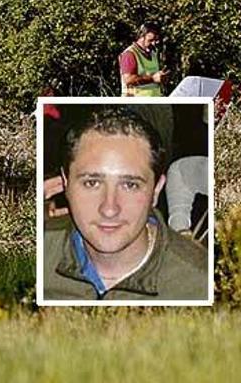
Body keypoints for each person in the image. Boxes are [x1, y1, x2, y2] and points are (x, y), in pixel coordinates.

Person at [43, 106, 207, 301]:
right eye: (92, 183)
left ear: (156, 189)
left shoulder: (199, 284)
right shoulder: (39, 253)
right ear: (65, 183)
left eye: (130, 185)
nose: (109, 209)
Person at [119, 22, 169, 96]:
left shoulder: (153, 54)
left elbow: (154, 78)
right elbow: (128, 79)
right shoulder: (129, 54)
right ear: (141, 37)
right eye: (151, 40)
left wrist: (162, 78)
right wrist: (152, 78)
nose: (154, 43)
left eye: (156, 40)